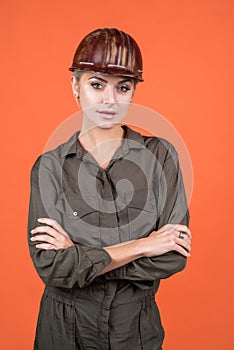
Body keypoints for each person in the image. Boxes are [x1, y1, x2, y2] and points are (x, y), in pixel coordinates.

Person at [28, 28, 192, 350]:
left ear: (133, 93)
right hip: (63, 331)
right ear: (75, 85)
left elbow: (173, 256)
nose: (109, 100)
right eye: (97, 85)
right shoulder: (49, 167)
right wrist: (143, 246)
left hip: (133, 331)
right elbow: (51, 266)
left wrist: (78, 258)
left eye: (123, 88)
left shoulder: (160, 157)